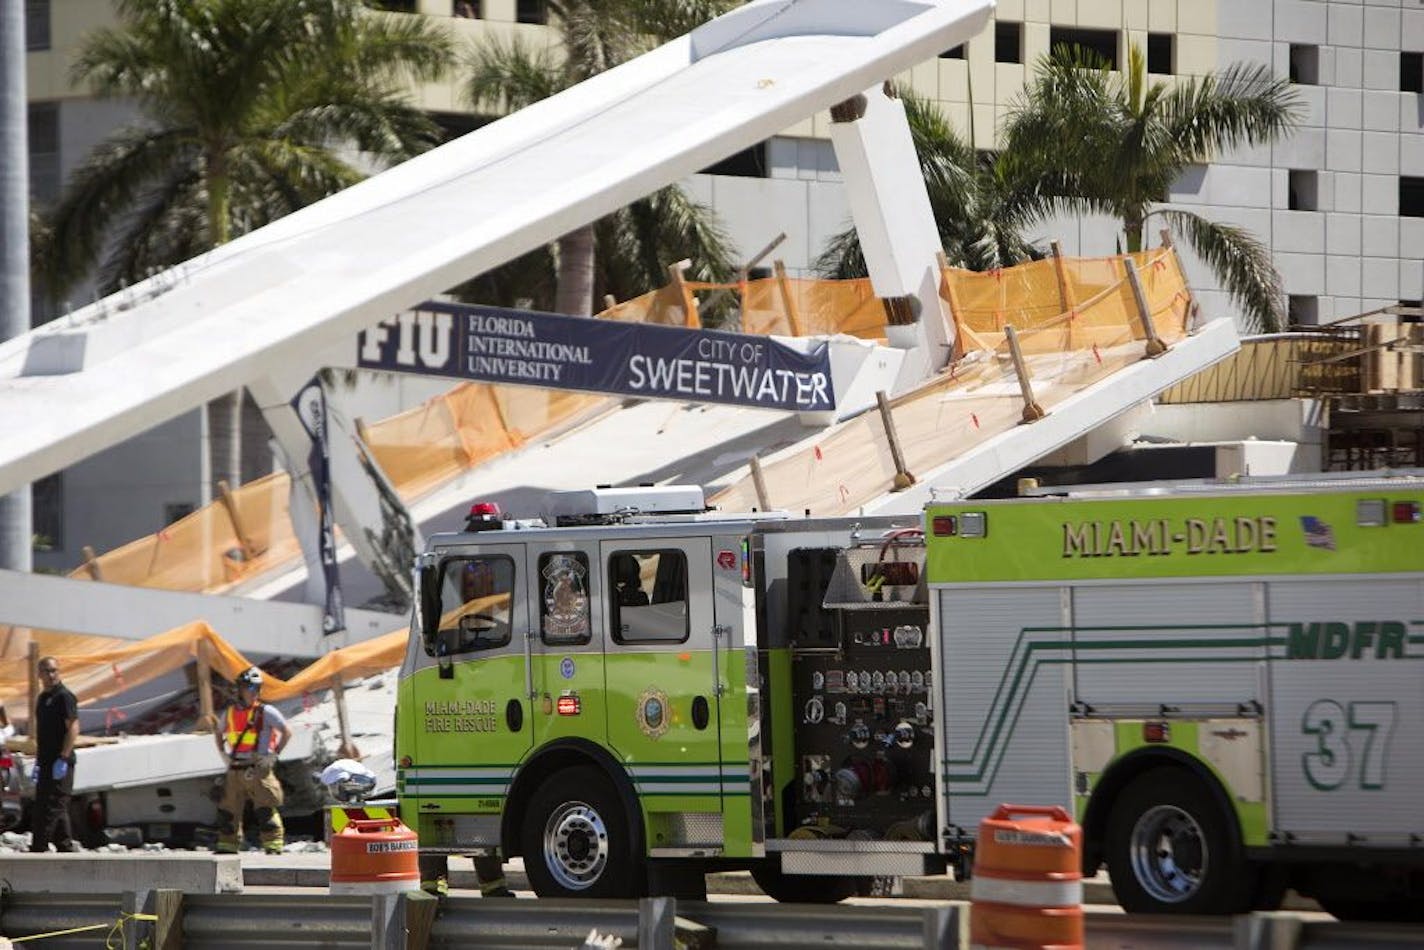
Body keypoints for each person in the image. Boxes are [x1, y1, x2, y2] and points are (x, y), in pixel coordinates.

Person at [214, 666, 291, 854]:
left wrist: (274, 755)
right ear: (240, 690)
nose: (254, 693)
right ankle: (227, 845)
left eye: (257, 689)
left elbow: (287, 732)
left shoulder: (267, 712)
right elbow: (218, 733)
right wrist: (223, 754)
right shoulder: (230, 713)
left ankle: (273, 845)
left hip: (258, 767)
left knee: (265, 808)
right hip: (236, 766)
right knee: (229, 810)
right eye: (250, 688)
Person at [29, 656, 79, 853]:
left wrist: (64, 757)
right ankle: (65, 846)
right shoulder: (42, 699)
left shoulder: (64, 697)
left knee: (51, 807)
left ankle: (38, 847)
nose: (51, 675)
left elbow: (73, 727)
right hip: (46, 761)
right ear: (39, 674)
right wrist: (38, 761)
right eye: (46, 671)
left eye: (54, 671)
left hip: (60, 762)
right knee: (46, 803)